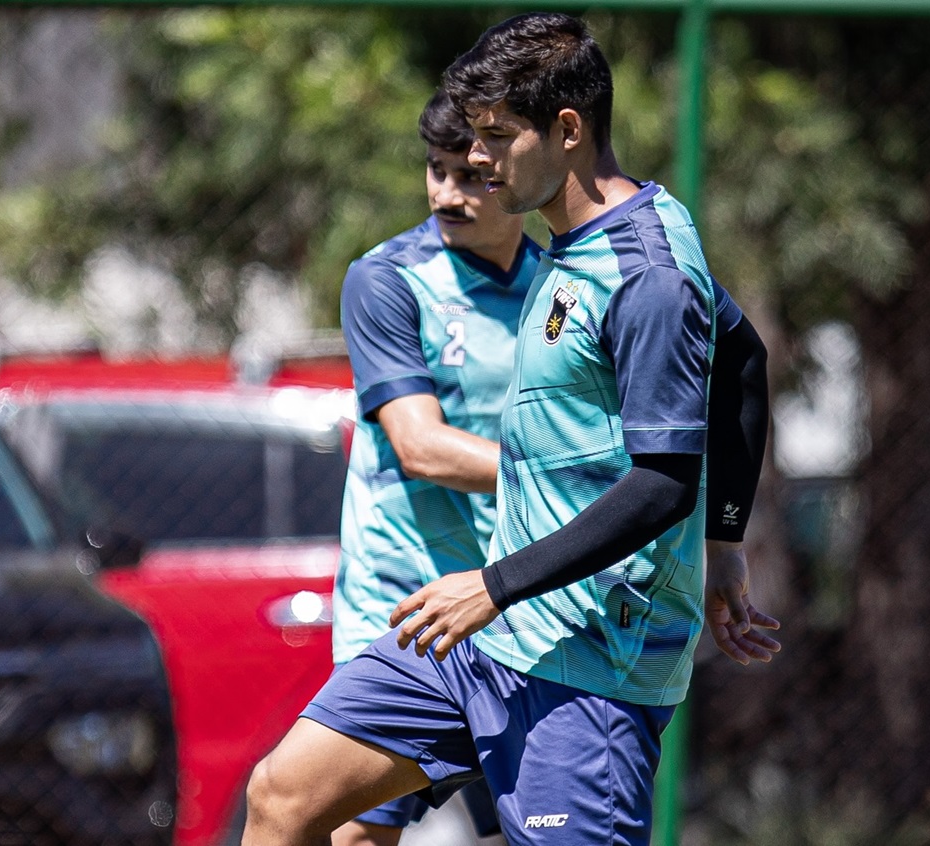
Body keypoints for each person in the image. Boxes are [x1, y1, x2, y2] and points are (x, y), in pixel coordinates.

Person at [242, 13, 780, 846]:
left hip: (589, 660)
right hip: (487, 638)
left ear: (568, 132)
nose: (478, 161)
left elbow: (663, 482)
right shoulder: (565, 244)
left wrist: (495, 584)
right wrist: (729, 543)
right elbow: (745, 360)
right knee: (282, 798)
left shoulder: (648, 277)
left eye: (497, 137)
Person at [332, 87, 542, 846]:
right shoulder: (388, 280)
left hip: (521, 606)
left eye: (471, 175)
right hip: (405, 611)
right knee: (352, 830)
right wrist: (578, 486)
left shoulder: (565, 288)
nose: (447, 193)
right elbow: (419, 448)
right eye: (435, 170)